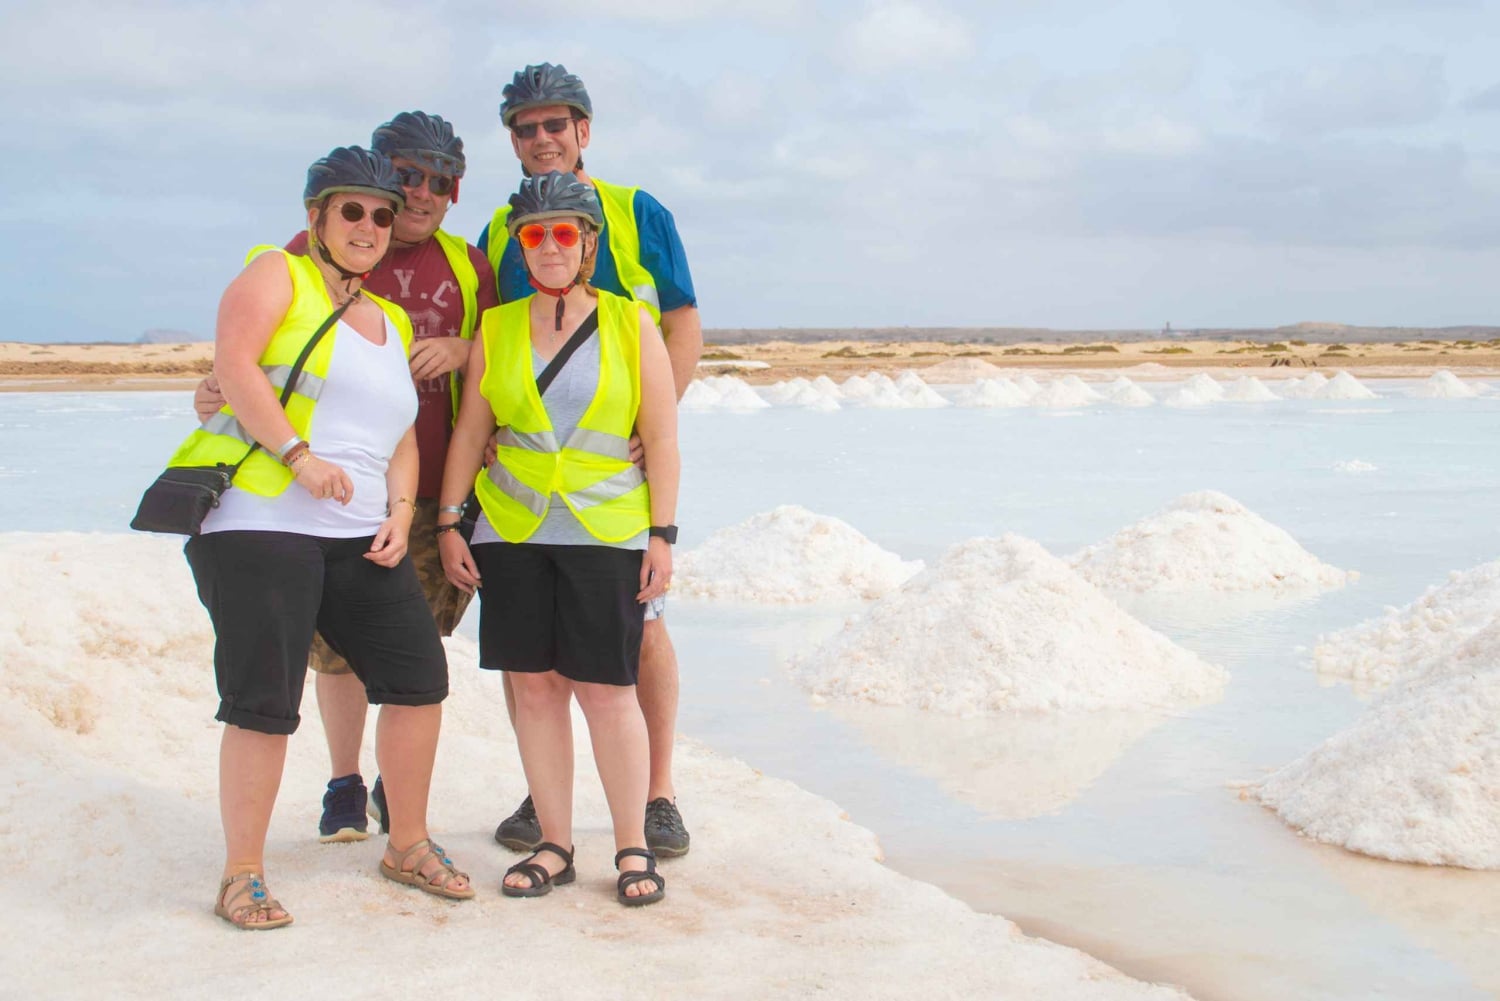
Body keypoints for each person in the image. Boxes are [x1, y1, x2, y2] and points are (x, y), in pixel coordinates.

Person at [170, 146, 474, 929]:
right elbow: (234, 366)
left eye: (381, 214)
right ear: (316, 217)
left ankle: (406, 842)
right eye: (352, 211)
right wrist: (299, 457)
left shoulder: (391, 319)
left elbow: (402, 432)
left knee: (418, 679)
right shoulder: (277, 272)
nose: (370, 226)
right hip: (261, 524)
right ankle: (243, 873)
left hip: (356, 535)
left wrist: (401, 511)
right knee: (263, 701)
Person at [478, 61, 700, 858]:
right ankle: (549, 803)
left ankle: (658, 792)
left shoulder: (637, 213)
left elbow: (681, 322)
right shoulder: (504, 227)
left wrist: (657, 413)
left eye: (554, 124)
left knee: (638, 629)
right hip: (529, 484)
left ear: (584, 129)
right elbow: (489, 341)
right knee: (533, 655)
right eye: (525, 128)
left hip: (622, 462)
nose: (541, 139)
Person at [439, 171, 679, 906]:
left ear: (588, 245)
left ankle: (633, 844)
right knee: (535, 689)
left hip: (605, 531)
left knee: (608, 691)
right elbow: (473, 430)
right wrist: (452, 520)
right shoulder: (499, 326)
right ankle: (555, 842)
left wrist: (662, 534)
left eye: (563, 233)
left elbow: (662, 436)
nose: (548, 246)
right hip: (512, 529)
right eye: (533, 234)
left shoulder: (629, 322)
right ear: (519, 244)